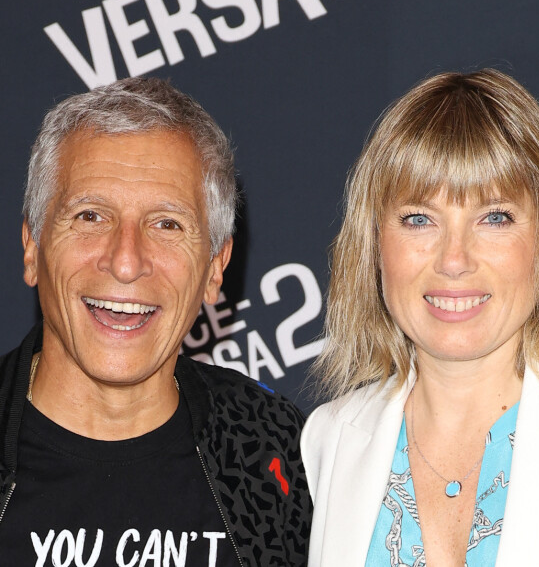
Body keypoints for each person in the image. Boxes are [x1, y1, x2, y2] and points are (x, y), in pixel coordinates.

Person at [0, 77, 311, 566]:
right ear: (32, 247)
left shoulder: (279, 453)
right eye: (90, 216)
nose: (126, 261)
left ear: (215, 268)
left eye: (167, 224)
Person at [301, 69, 539, 566]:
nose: (454, 260)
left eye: (494, 217)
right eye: (419, 219)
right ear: (373, 245)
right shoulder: (329, 440)